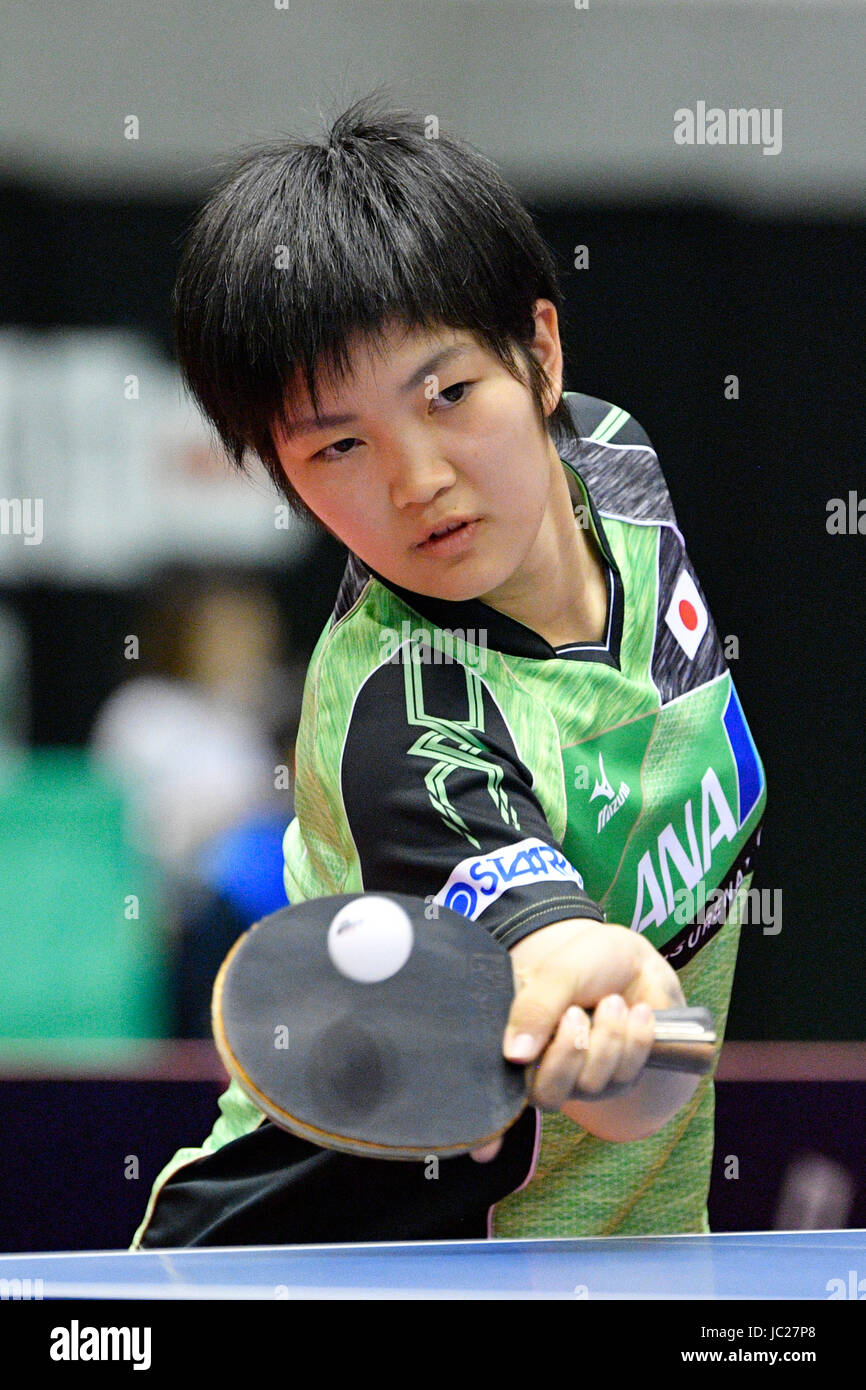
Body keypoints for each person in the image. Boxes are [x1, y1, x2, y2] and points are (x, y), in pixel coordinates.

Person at [131, 93, 767, 1248]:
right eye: (337, 446)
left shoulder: (615, 464)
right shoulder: (402, 726)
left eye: (447, 395)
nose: (417, 476)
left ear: (539, 355)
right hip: (325, 1274)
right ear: (283, 480)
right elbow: (615, 1062)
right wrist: (620, 1010)